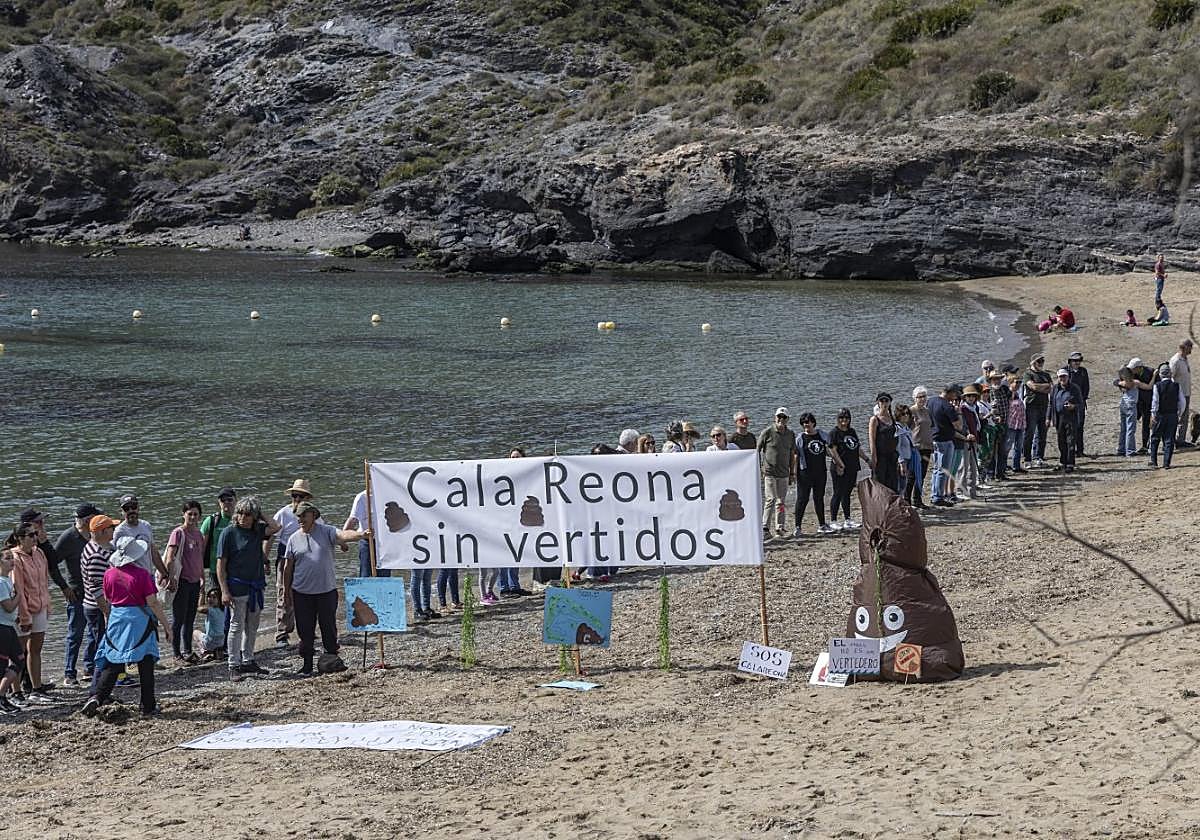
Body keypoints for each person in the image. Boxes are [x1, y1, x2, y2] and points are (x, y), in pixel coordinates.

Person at [80, 535, 169, 718]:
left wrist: (108, 621)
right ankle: (147, 706)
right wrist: (167, 626)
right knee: (146, 663)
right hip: (139, 620)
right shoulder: (142, 575)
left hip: (117, 618)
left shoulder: (109, 574)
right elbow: (152, 602)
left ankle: (97, 696)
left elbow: (108, 600)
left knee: (113, 662)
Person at [282, 501, 367, 677]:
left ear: (313, 515)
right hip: (301, 592)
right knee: (304, 630)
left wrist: (361, 534)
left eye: (304, 515)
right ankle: (307, 664)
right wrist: (286, 592)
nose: (300, 519)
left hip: (326, 591)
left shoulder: (326, 531)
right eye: (298, 516)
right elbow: (287, 568)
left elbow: (343, 535)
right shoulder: (293, 538)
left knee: (328, 627)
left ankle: (332, 659)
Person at [216, 496, 281, 681]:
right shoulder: (228, 533)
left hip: (256, 586)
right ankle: (233, 664)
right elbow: (221, 565)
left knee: (252, 625)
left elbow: (276, 527)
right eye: (240, 513)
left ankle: (248, 659)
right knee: (236, 626)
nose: (242, 517)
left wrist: (260, 513)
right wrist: (224, 591)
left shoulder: (257, 530)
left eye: (247, 514)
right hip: (237, 587)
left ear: (254, 517)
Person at [53, 503, 102, 687]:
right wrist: (64, 587)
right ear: (87, 520)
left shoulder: (95, 534)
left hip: (95, 591)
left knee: (95, 632)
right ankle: (69, 673)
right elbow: (52, 564)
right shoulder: (69, 537)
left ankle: (89, 668)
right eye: (94, 518)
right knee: (75, 634)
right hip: (76, 593)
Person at [267, 479, 316, 648]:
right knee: (284, 593)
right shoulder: (283, 513)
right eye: (294, 496)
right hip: (284, 558)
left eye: (301, 496)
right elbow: (271, 536)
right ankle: (282, 633)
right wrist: (264, 559)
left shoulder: (313, 514)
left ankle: (307, 629)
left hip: (306, 559)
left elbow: (323, 533)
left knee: (307, 594)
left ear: (307, 498)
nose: (297, 499)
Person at [9, 524, 53, 701]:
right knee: (18, 652)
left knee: (36, 649)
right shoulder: (15, 558)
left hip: (40, 606)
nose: (35, 538)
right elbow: (17, 588)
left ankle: (36, 688)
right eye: (31, 535)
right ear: (20, 538)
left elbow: (44, 581)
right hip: (23, 611)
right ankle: (16, 692)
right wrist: (24, 615)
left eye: (36, 534)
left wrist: (48, 604)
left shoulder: (39, 553)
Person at [80, 514, 120, 681]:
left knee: (98, 640)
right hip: (98, 607)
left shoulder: (103, 547)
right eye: (111, 528)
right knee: (104, 643)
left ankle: (96, 673)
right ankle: (102, 679)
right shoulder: (96, 555)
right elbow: (96, 589)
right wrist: (107, 612)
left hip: (99, 605)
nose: (114, 530)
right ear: (102, 531)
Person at [164, 501, 205, 665]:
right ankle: (176, 654)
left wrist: (202, 578)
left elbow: (199, 558)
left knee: (190, 618)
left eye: (196, 514)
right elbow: (169, 558)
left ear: (199, 516)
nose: (193, 517)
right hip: (181, 581)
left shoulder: (199, 534)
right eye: (190, 514)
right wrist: (171, 578)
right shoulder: (178, 533)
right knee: (178, 619)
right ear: (184, 515)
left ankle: (187, 651)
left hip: (194, 581)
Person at [499, 448, 535, 594]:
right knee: (503, 553)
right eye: (512, 457)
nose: (514, 459)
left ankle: (514, 586)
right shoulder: (503, 472)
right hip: (504, 518)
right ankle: (504, 588)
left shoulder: (526, 473)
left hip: (519, 519)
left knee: (516, 552)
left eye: (517, 457)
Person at [793, 413, 835, 537]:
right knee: (802, 499)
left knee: (819, 498)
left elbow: (831, 448)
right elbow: (795, 456)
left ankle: (822, 525)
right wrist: (793, 473)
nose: (806, 424)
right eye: (804, 422)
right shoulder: (800, 438)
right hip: (804, 473)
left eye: (808, 422)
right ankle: (797, 527)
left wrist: (838, 462)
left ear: (813, 423)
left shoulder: (821, 434)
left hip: (820, 472)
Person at [757, 408, 796, 538]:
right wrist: (759, 468)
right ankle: (765, 528)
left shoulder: (790, 434)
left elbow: (792, 454)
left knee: (781, 501)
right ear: (775, 417)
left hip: (784, 473)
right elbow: (756, 451)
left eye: (784, 417)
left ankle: (780, 528)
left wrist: (792, 473)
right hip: (769, 472)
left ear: (787, 419)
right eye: (779, 417)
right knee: (770, 499)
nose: (781, 420)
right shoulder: (767, 432)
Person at [113, 495, 170, 584]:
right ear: (122, 511)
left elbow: (153, 552)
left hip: (149, 575)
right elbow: (117, 560)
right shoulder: (119, 532)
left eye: (133, 507)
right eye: (126, 508)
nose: (131, 511)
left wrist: (164, 574)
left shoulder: (146, 525)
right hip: (131, 579)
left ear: (138, 508)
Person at [829, 408, 868, 529]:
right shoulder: (834, 433)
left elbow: (857, 448)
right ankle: (833, 520)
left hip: (853, 466)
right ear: (838, 419)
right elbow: (832, 451)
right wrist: (840, 465)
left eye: (846, 418)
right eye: (841, 417)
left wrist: (867, 459)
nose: (844, 420)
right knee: (838, 492)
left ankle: (847, 519)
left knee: (847, 493)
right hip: (839, 467)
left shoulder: (852, 431)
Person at [0, 548, 28, 715]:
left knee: (19, 660)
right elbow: (9, 607)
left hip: (8, 626)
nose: (12, 561)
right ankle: (2, 697)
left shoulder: (7, 581)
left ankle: (2, 695)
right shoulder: (1, 583)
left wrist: (17, 618)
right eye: (7, 558)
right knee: (6, 664)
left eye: (12, 558)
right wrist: (19, 593)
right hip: (2, 628)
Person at [928, 384, 962, 507]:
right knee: (944, 469)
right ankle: (938, 497)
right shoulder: (948, 406)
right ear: (950, 393)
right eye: (955, 394)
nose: (956, 397)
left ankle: (934, 494)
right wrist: (958, 413)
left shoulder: (931, 401)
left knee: (936, 469)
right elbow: (959, 426)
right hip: (945, 440)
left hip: (934, 438)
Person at [344, 488, 389, 579]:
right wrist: (343, 539)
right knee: (365, 574)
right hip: (367, 540)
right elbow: (353, 519)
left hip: (384, 541)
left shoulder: (387, 495)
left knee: (384, 576)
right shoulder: (362, 497)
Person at [200, 486, 237, 590]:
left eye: (229, 499)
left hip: (237, 570)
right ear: (219, 503)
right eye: (223, 500)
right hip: (215, 570)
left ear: (236, 500)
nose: (226, 502)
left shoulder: (242, 520)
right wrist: (200, 574)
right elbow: (201, 550)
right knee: (217, 599)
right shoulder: (211, 521)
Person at [1150, 363, 1185, 469]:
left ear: (1160, 375)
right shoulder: (1177, 386)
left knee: (1155, 438)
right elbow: (1182, 402)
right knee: (1169, 439)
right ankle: (1166, 463)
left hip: (1160, 415)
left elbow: (1155, 401)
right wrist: (1179, 413)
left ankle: (1154, 462)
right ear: (1170, 374)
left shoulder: (1157, 386)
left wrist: (1153, 414)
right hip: (1172, 415)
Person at [1049, 368, 1084, 472]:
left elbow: (1081, 404)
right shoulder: (1055, 388)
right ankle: (1062, 462)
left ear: (1068, 377)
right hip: (1058, 417)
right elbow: (1051, 404)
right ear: (1058, 378)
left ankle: (1070, 463)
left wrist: (1073, 406)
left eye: (1064, 376)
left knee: (1070, 441)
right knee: (1061, 441)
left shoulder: (1074, 388)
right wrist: (1048, 418)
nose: (1062, 379)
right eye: (1060, 377)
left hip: (1071, 417)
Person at [1022, 353, 1053, 468]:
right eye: (1039, 361)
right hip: (1031, 406)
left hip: (1044, 406)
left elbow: (1051, 388)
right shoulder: (1028, 374)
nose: (1041, 363)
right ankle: (1027, 458)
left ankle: (1039, 457)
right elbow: (1032, 386)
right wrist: (1044, 386)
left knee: (1042, 433)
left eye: (1042, 361)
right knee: (1029, 433)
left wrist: (1039, 387)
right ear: (1033, 363)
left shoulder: (1046, 374)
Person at [868, 393, 899, 492]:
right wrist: (874, 457)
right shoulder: (875, 419)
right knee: (880, 484)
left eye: (886, 401)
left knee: (893, 483)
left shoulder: (892, 418)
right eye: (882, 401)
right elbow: (872, 440)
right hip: (880, 456)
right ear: (878, 403)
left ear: (890, 403)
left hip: (892, 455)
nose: (884, 403)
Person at [985, 369, 1011, 481]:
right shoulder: (988, 392)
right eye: (995, 379)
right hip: (992, 425)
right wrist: (995, 417)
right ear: (990, 380)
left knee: (1002, 449)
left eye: (999, 379)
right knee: (991, 450)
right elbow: (985, 408)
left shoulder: (1004, 389)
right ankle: (990, 474)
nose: (997, 381)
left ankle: (1000, 472)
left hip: (1004, 423)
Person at [909, 387, 933, 507]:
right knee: (913, 475)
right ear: (915, 398)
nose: (922, 399)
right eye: (920, 397)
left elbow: (930, 427)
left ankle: (917, 500)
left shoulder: (927, 411)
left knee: (922, 474)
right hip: (916, 446)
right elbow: (906, 428)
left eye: (924, 396)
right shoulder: (911, 411)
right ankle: (907, 500)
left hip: (927, 446)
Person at [1066, 352, 1090, 457]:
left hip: (1080, 403)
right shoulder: (1065, 371)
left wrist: (1082, 400)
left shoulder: (1083, 371)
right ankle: (1069, 450)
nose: (1077, 363)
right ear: (1070, 361)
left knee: (1080, 426)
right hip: (1068, 403)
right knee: (1069, 427)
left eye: (1079, 360)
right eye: (1075, 361)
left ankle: (1080, 450)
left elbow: (1086, 387)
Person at [894, 404, 921, 503]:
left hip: (909, 458)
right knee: (900, 485)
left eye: (907, 413)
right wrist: (901, 462)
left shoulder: (906, 427)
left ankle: (902, 504)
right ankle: (898, 505)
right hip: (902, 460)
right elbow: (897, 447)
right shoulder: (897, 428)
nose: (906, 416)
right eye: (903, 414)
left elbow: (909, 443)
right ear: (898, 415)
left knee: (904, 484)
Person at [1170, 339, 1193, 448]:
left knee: (1184, 418)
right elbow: (1171, 378)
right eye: (1190, 347)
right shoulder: (1176, 361)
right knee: (1177, 417)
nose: (1191, 349)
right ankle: (1172, 440)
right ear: (1185, 347)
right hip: (1179, 394)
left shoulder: (1184, 359)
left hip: (1186, 392)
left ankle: (1180, 440)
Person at [1115, 366, 1141, 457]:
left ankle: (1121, 449)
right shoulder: (1135, 382)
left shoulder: (1122, 383)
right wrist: (1154, 376)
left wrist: (1119, 382)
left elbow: (1115, 382)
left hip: (1123, 404)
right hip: (1131, 405)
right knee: (1130, 428)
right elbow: (1148, 387)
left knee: (1123, 428)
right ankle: (1130, 450)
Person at [1005, 370, 1027, 474]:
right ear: (1010, 383)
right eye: (1016, 382)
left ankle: (1016, 466)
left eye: (1019, 382)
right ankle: (1003, 466)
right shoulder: (1007, 394)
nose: (1018, 384)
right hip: (1011, 424)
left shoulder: (1018, 393)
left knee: (1019, 446)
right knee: (1007, 446)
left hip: (1020, 423)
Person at [195, 588, 226, 661]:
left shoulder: (211, 610)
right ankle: (218, 651)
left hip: (210, 643)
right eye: (209, 597)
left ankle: (204, 652)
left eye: (214, 597)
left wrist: (202, 594)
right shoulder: (224, 611)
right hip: (222, 642)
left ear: (220, 599)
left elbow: (199, 608)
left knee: (195, 633)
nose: (210, 599)